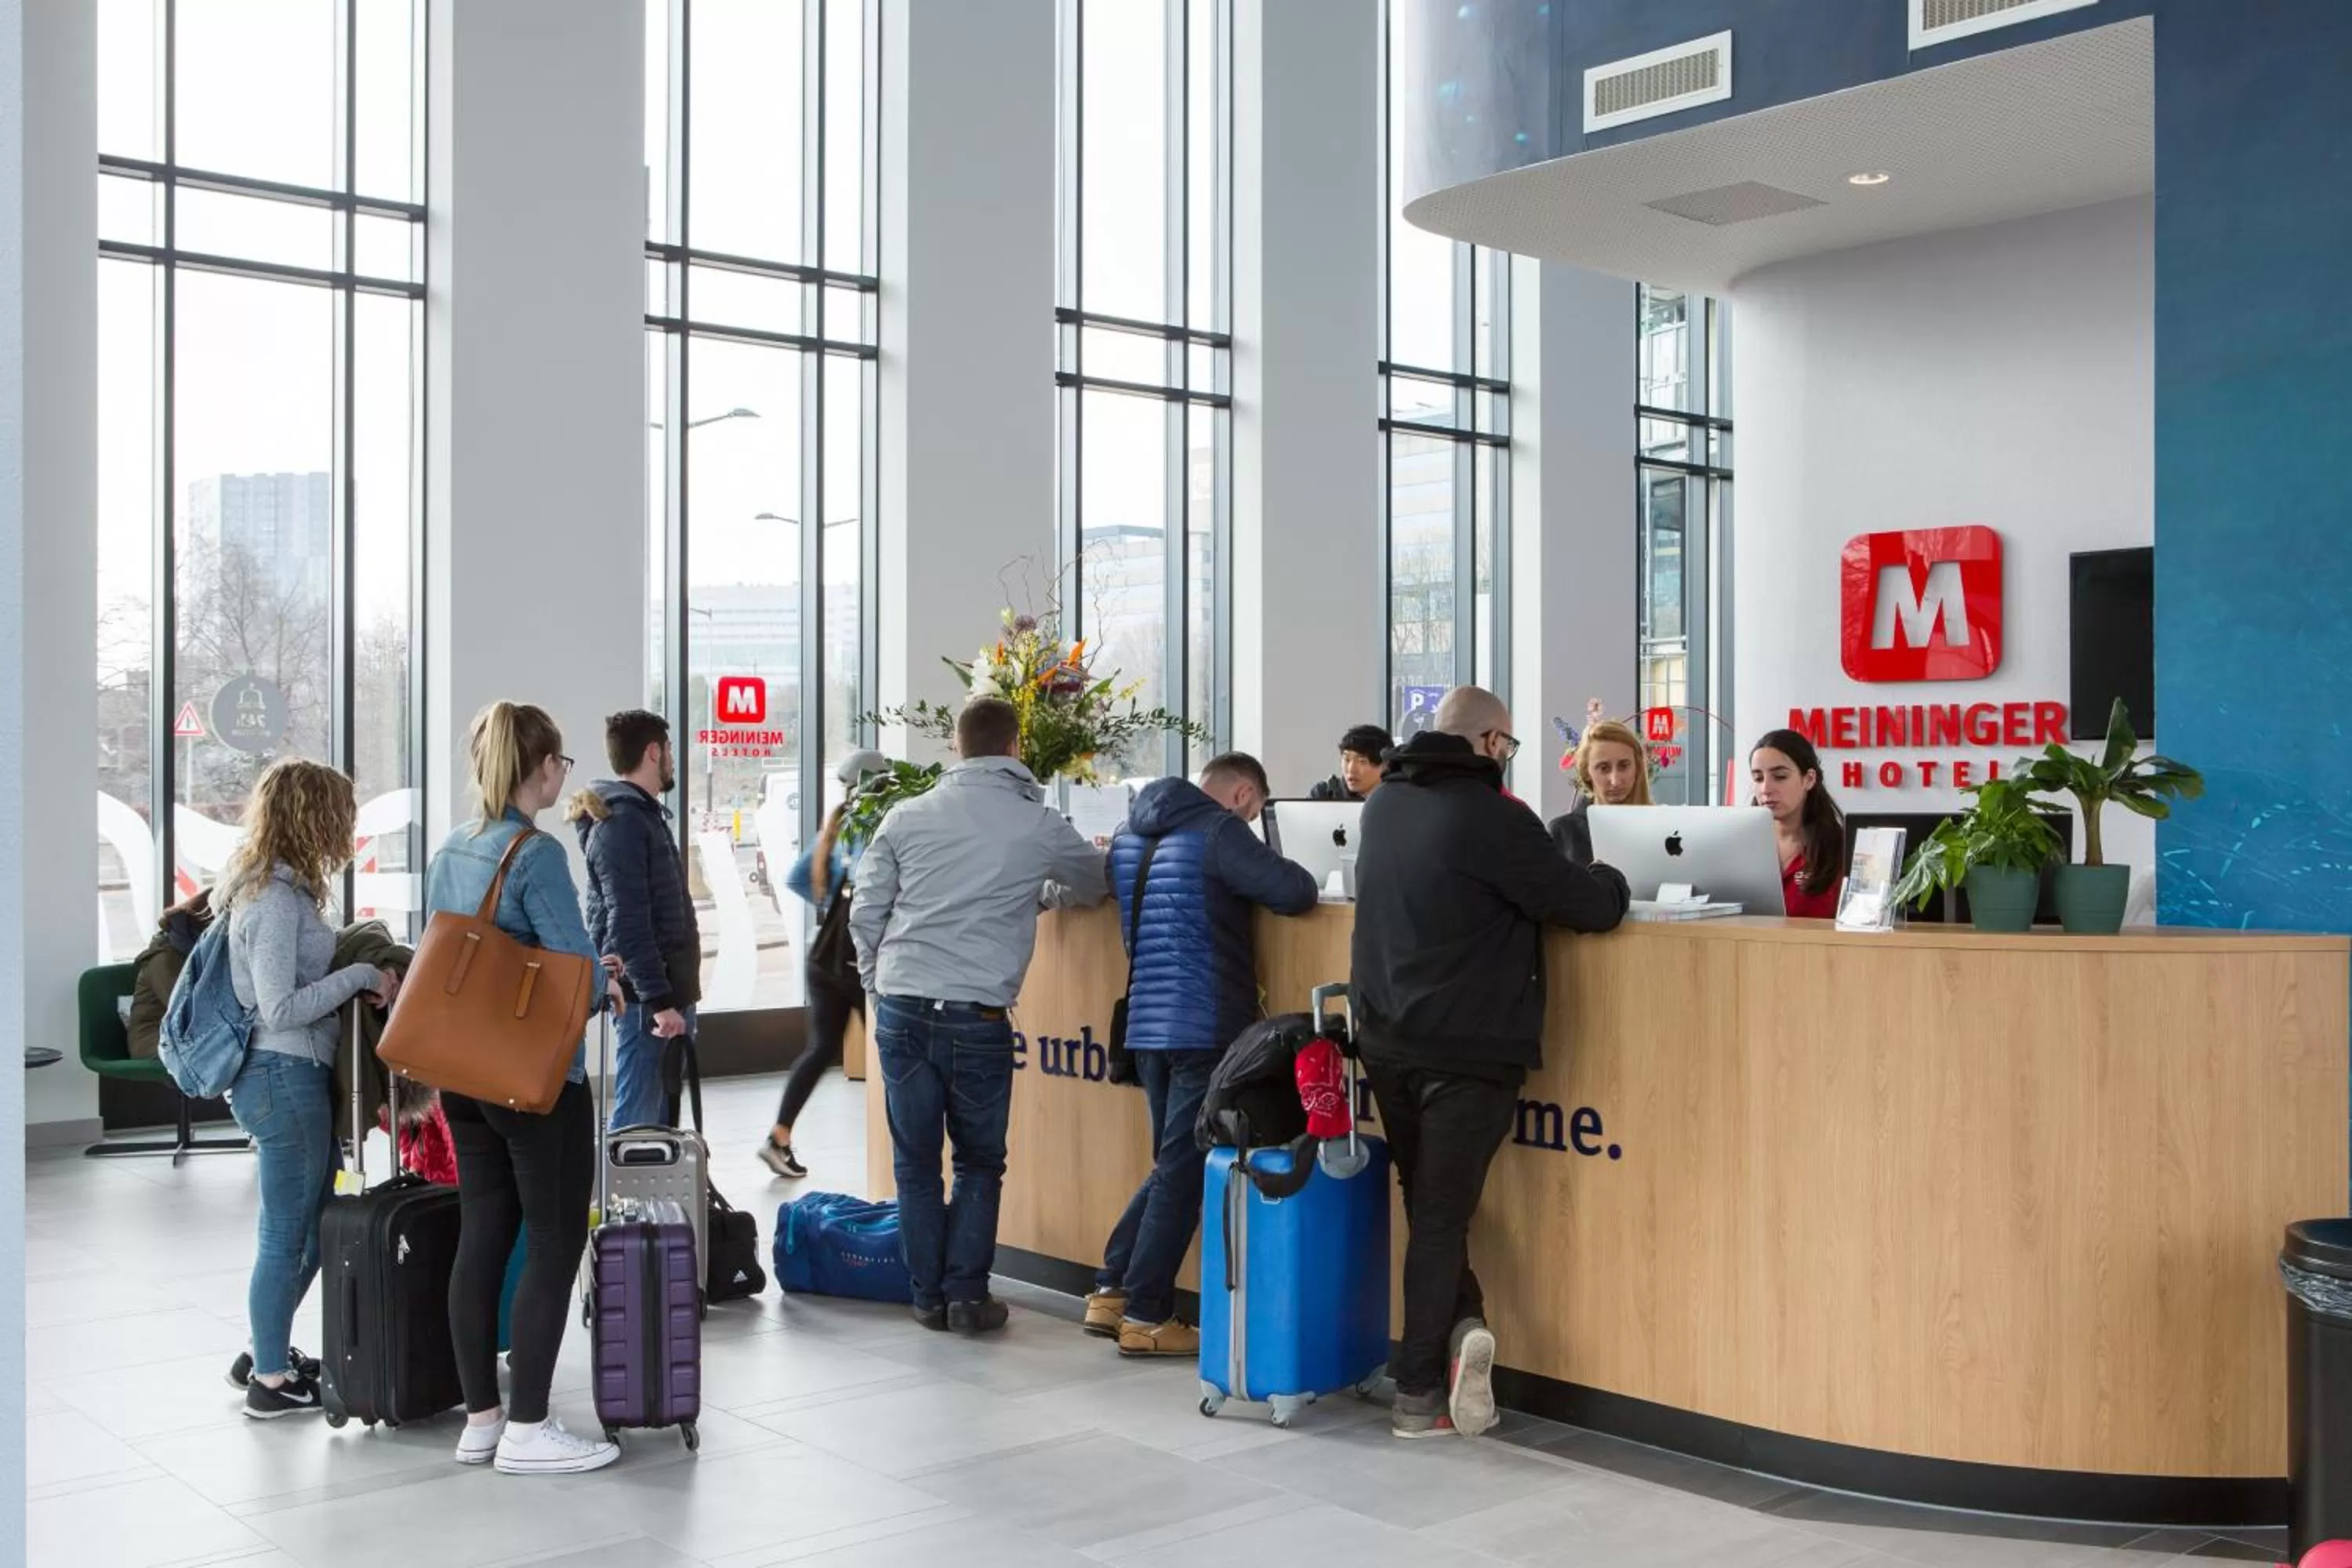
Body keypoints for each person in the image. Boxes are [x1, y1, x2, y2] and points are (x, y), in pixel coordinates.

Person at [1350, 685, 1631, 1440]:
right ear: (1489, 744)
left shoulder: (1383, 803)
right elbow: (1587, 906)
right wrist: (1612, 875)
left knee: (1428, 1204)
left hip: (1385, 1037)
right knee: (1441, 1216)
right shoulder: (1494, 817)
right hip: (1466, 1048)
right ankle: (1417, 1391)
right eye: (1507, 745)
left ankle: (1465, 1327)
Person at [850, 697, 1109, 1332]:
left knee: (915, 1164)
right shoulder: (1037, 824)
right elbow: (1094, 884)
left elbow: (866, 911)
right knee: (978, 1162)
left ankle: (926, 1297)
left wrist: (877, 987)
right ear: (1016, 747)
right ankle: (967, 1297)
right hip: (978, 1017)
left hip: (903, 1006)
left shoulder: (907, 815)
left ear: (956, 748)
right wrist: (1035, 893)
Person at [426, 701, 622, 1476]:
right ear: (541, 767)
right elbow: (576, 974)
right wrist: (607, 981)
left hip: (463, 1072)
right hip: (533, 1083)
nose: (562, 776)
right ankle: (530, 1427)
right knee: (553, 1238)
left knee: (482, 1234)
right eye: (560, 764)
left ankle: (482, 1419)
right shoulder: (534, 853)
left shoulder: (453, 845)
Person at [1084, 752, 1319, 1357]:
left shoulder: (1130, 833)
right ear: (1242, 795)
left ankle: (1113, 1289)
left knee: (1172, 1165)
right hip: (1204, 1020)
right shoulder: (1219, 833)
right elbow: (1295, 891)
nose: (1253, 820)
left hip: (1147, 1023)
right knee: (1182, 1170)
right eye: (1256, 810)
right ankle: (1146, 1315)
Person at [215, 759, 400, 1418]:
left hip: (291, 1078)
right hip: (282, 1077)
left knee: (318, 1230)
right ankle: (269, 1382)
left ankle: (263, 1352)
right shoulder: (271, 900)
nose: (348, 827)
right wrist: (361, 978)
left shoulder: (283, 891)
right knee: (287, 1235)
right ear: (312, 817)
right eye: (342, 814)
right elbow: (280, 1007)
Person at [760, 747, 891, 1180]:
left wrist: (831, 900)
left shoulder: (836, 827)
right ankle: (900, 1150)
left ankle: (779, 1136)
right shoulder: (874, 827)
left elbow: (798, 877)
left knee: (820, 1049)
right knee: (894, 1050)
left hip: (824, 958)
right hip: (860, 962)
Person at [566, 710, 699, 1132]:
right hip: (648, 1001)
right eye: (669, 750)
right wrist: (660, 1003)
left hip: (662, 992)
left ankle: (649, 1181)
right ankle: (617, 1180)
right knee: (637, 1122)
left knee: (656, 1123)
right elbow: (628, 923)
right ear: (654, 752)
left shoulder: (642, 816)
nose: (672, 759)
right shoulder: (623, 824)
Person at [1750, 728, 1847, 919]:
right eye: (1758, 778)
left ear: (1809, 779)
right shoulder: (1743, 846)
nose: (1766, 789)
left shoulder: (1841, 849)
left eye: (1780, 777)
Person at [1548, 717, 1654, 866]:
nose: (1615, 781)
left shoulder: (1658, 828)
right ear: (1586, 773)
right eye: (1604, 768)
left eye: (1624, 766)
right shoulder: (1563, 832)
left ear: (1637, 768)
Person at [1308, 723, 1394, 802]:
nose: (1351, 769)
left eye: (1362, 761)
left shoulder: (1396, 797)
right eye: (1347, 759)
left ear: (1384, 766)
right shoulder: (1324, 794)